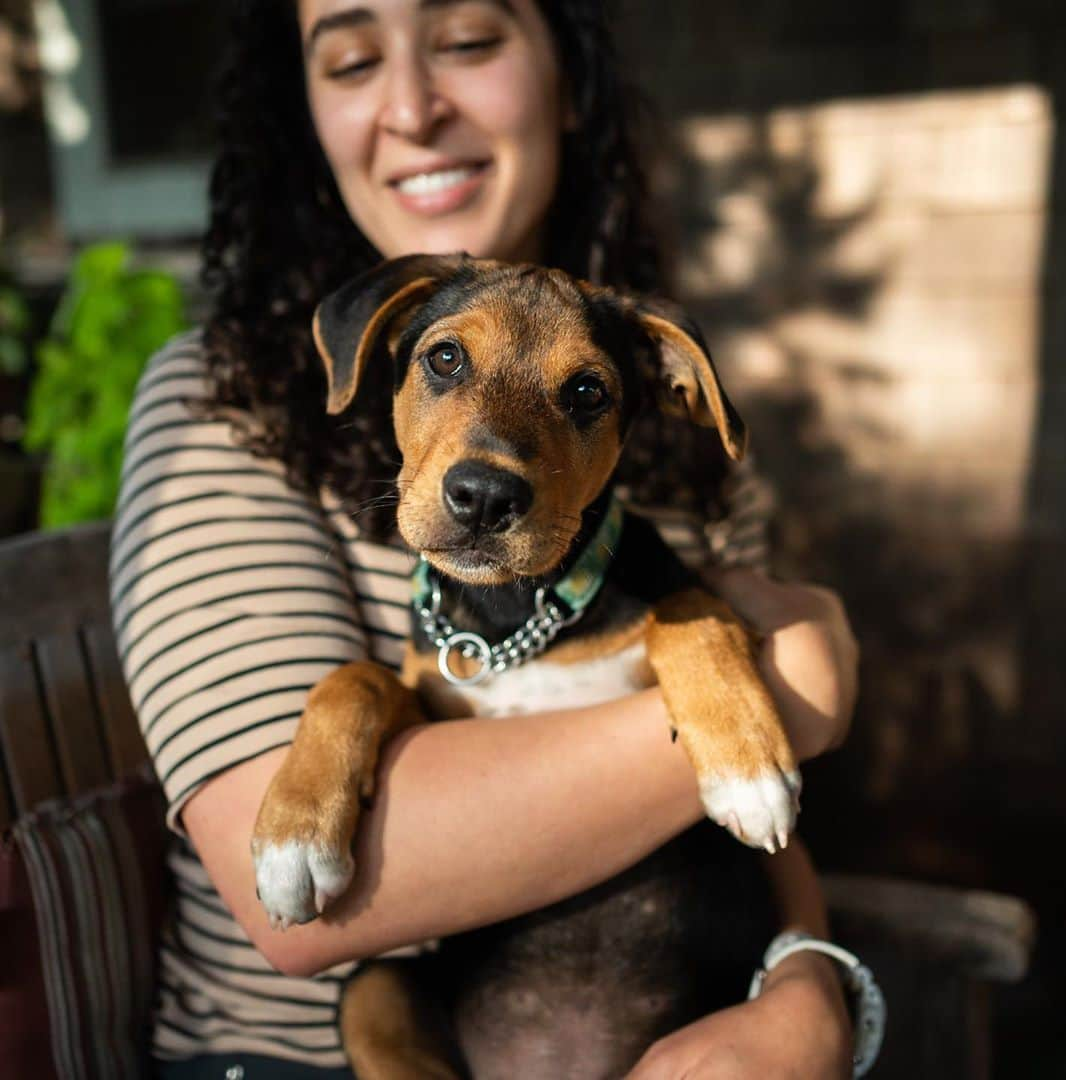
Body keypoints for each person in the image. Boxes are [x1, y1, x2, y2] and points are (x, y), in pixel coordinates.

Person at [109, 0, 859, 1076]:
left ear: (569, 80)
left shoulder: (680, 436)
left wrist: (813, 988)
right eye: (355, 58)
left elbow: (766, 813)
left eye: (467, 40)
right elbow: (293, 914)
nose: (414, 106)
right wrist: (789, 683)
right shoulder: (214, 413)